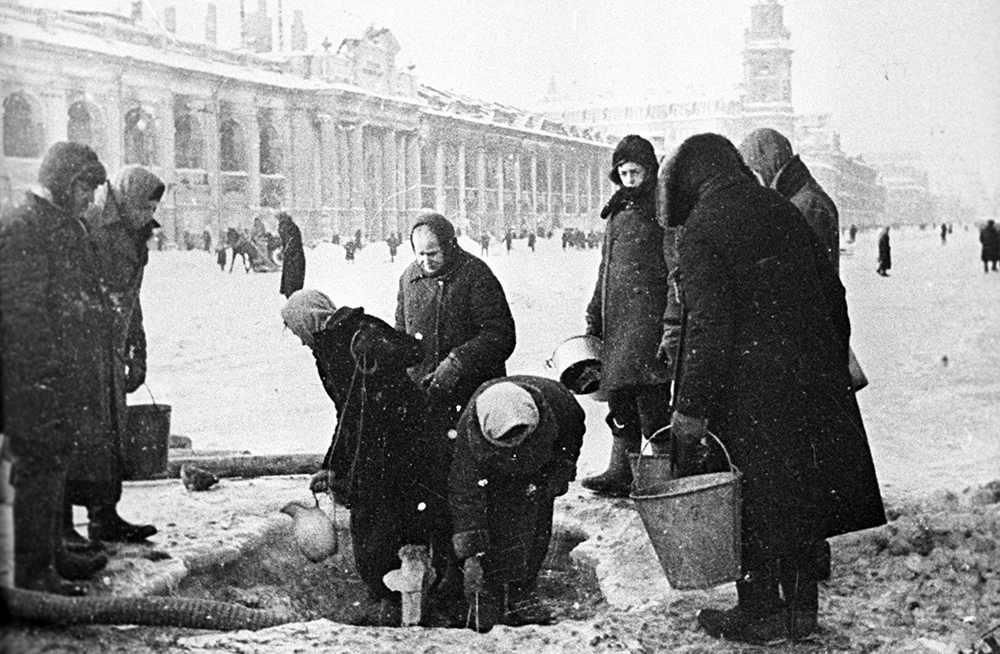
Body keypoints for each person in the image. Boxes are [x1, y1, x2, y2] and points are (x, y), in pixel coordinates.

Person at [661, 133, 885, 643]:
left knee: (752, 501)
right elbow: (834, 293)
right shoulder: (779, 209)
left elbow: (710, 327)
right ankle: (802, 612)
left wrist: (692, 409)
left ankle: (760, 611)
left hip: (749, 393)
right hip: (807, 382)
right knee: (803, 497)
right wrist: (823, 361)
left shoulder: (703, 226)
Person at [0, 142, 110, 594]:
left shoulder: (59, 225)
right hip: (29, 371)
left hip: (55, 368)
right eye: (87, 187)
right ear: (66, 182)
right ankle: (33, 570)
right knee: (37, 461)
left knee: (54, 454)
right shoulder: (25, 227)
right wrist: (39, 372)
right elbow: (21, 312)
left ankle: (51, 552)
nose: (90, 199)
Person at [64, 165, 164, 548]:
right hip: (83, 347)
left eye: (154, 206)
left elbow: (132, 297)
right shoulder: (91, 226)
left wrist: (137, 346)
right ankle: (64, 527)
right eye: (146, 205)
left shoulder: (136, 233)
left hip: (112, 347)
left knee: (111, 433)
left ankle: (105, 515)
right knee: (82, 434)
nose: (149, 213)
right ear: (126, 199)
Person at [449, 376, 584, 632]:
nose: (515, 446)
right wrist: (471, 555)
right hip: (494, 471)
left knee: (535, 519)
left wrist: (562, 468)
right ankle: (487, 588)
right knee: (498, 518)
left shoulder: (561, 404)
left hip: (541, 464)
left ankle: (523, 589)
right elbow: (466, 494)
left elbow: (572, 437)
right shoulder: (470, 430)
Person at [581, 135, 674, 497]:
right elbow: (605, 268)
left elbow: (672, 268)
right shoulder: (617, 210)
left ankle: (666, 477)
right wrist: (594, 312)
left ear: (650, 171)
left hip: (648, 325)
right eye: (623, 172)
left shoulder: (662, 210)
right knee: (619, 400)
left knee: (652, 403)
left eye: (636, 171)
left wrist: (670, 323)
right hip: (617, 324)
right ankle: (621, 470)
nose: (630, 179)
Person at [739, 128, 840, 273]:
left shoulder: (806, 204)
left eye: (755, 171)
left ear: (766, 165)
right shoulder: (800, 197)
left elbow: (804, 276)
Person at [277, 212, 305, 298]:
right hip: (292, 257)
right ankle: (291, 295)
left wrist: (286, 251)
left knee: (293, 280)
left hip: (295, 257)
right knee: (291, 279)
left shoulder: (290, 228)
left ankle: (292, 296)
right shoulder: (288, 227)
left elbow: (292, 242)